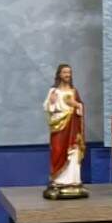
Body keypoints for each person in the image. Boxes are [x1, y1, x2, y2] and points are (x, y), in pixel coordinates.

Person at [43, 64, 87, 199]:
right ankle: (58, 181)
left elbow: (80, 107)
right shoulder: (54, 91)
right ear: (59, 74)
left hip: (73, 127)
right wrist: (51, 102)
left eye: (69, 72)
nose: (67, 75)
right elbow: (47, 107)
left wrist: (76, 105)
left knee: (73, 151)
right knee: (57, 150)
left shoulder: (74, 91)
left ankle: (73, 181)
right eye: (64, 72)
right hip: (59, 127)